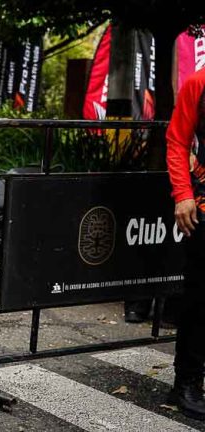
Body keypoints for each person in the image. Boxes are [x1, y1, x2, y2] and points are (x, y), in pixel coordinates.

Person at [166, 66, 205, 420]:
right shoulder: (198, 82)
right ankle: (187, 383)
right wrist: (183, 194)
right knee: (200, 299)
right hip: (203, 204)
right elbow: (178, 140)